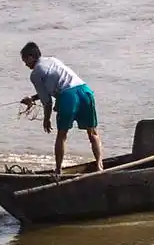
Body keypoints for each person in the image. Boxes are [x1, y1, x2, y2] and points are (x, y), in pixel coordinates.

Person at [19, 41, 104, 175]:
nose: (25, 64)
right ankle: (99, 166)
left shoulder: (35, 74)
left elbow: (47, 102)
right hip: (85, 91)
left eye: (25, 61)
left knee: (62, 135)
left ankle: (58, 171)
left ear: (31, 57)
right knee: (93, 133)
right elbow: (57, 85)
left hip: (68, 97)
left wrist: (46, 120)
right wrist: (32, 98)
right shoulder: (53, 60)